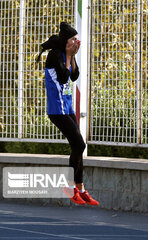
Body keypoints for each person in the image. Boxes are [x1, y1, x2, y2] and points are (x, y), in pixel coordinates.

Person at [37, 22, 99, 205]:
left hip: (67, 107)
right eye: (73, 39)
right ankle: (71, 187)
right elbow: (63, 76)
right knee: (79, 144)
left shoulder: (67, 53)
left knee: (78, 146)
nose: (76, 41)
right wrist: (69, 57)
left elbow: (74, 75)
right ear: (66, 41)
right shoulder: (54, 55)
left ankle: (81, 189)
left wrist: (72, 57)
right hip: (57, 110)